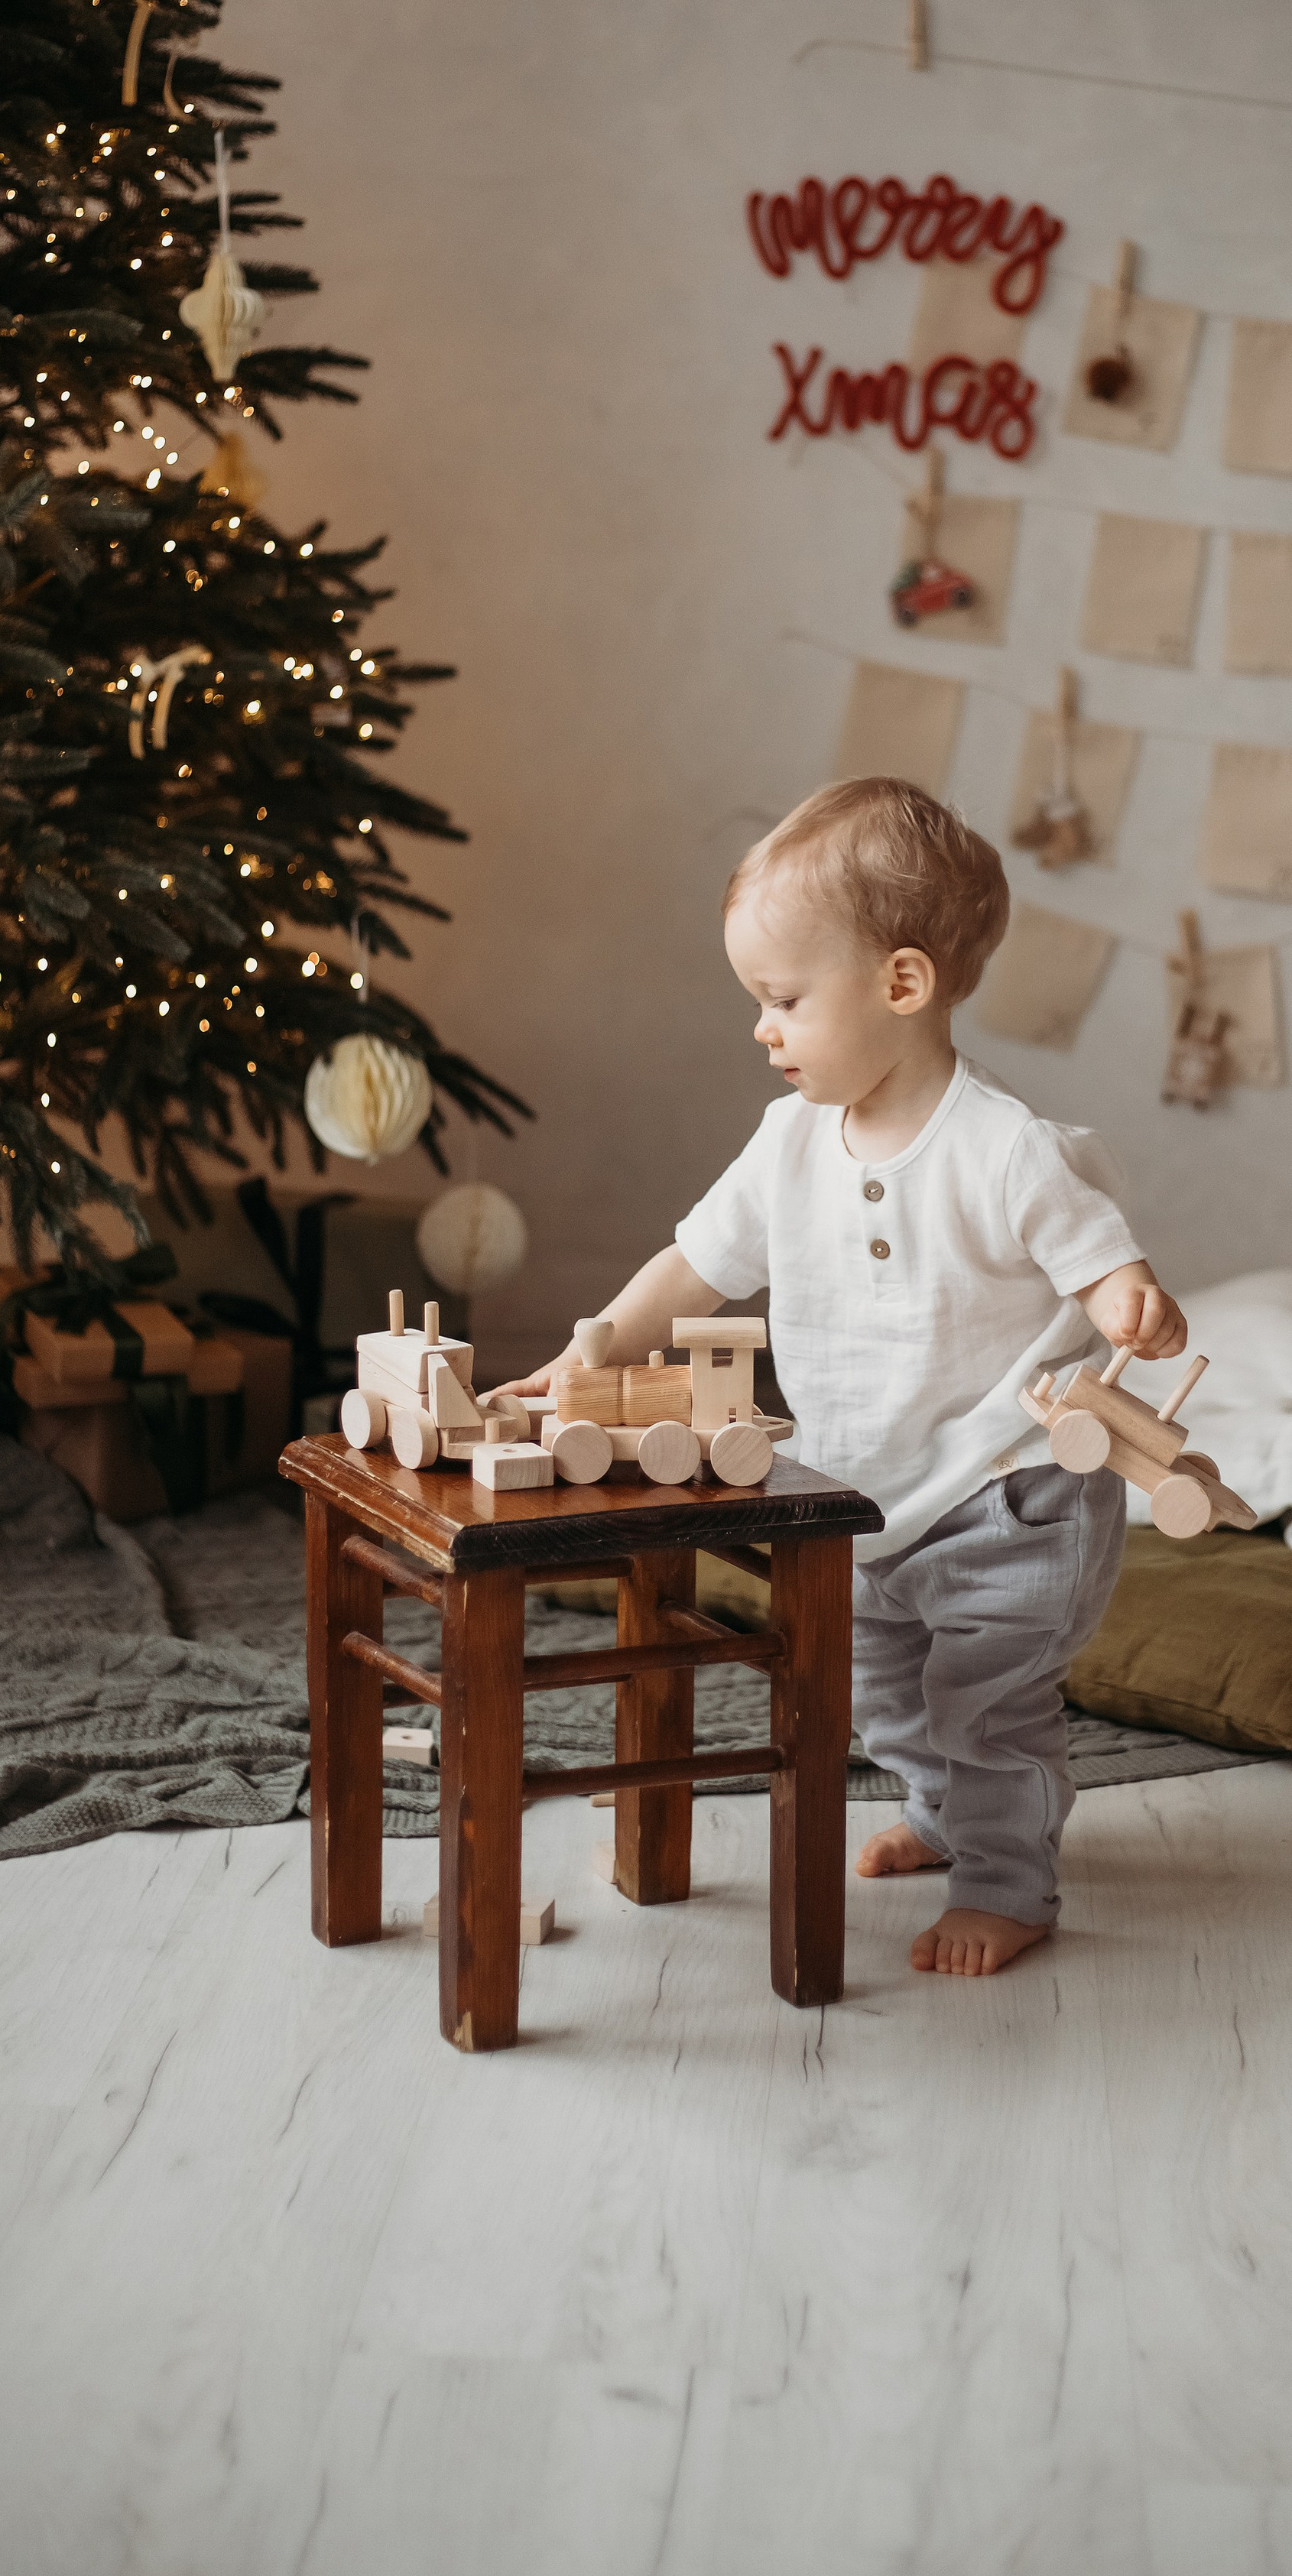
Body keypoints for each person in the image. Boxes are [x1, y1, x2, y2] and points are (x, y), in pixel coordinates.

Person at [509, 778, 1185, 1977]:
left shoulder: (1003, 1147)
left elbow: (1096, 1258)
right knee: (878, 1693)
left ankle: (1009, 1880)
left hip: (1008, 1491)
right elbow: (697, 1259)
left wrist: (1129, 1299)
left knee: (986, 1702)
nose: (761, 1029)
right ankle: (941, 1811)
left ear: (903, 985)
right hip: (861, 1497)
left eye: (782, 1000)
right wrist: (602, 1341)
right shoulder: (787, 1144)